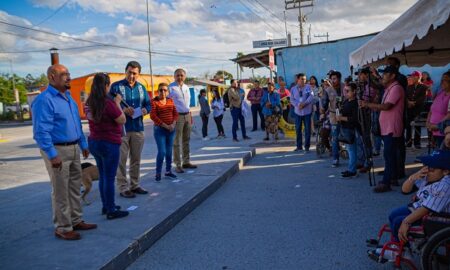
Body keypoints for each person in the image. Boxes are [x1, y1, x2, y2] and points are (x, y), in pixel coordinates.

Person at [32, 64, 97, 240]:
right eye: (64, 74)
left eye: (69, 74)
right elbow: (41, 132)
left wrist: (83, 144)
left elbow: (76, 123)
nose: (68, 77)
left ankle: (76, 220)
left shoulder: (69, 98)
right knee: (60, 190)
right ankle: (62, 227)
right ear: (52, 76)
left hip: (74, 148)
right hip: (57, 150)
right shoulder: (45, 100)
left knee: (75, 187)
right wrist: (52, 155)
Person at [368, 150, 450, 262]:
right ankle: (399, 246)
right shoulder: (430, 176)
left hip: (435, 217)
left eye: (431, 169)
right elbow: (405, 190)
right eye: (426, 166)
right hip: (421, 208)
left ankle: (402, 251)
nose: (427, 170)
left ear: (445, 171)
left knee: (399, 221)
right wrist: (413, 177)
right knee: (393, 214)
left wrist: (406, 221)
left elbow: (427, 209)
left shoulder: (445, 185)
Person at [85, 73, 129, 220]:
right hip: (109, 142)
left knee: (103, 175)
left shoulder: (89, 102)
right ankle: (111, 210)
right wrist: (117, 102)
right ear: (106, 85)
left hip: (94, 141)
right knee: (110, 177)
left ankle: (106, 206)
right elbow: (122, 119)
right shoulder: (108, 102)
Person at [361, 66, 405, 193]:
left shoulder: (396, 88)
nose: (383, 76)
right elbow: (378, 84)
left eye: (385, 74)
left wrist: (367, 104)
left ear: (392, 76)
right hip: (387, 126)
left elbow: (386, 106)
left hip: (392, 126)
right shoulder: (389, 88)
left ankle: (386, 182)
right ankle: (393, 177)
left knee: (388, 154)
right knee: (390, 154)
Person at [110, 61, 151, 198]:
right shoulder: (116, 87)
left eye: (135, 73)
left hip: (138, 128)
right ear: (125, 71)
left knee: (136, 159)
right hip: (122, 130)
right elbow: (109, 106)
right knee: (121, 160)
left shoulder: (142, 88)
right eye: (129, 72)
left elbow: (148, 104)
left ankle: (135, 184)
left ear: (139, 74)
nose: (132, 75)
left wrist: (146, 109)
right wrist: (122, 109)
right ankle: (123, 187)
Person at [168, 68, 197, 173]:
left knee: (186, 140)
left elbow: (188, 103)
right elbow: (168, 103)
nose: (180, 77)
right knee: (176, 142)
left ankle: (186, 162)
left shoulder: (186, 87)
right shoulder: (171, 88)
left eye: (181, 75)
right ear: (174, 76)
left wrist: (190, 115)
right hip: (177, 116)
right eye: (177, 75)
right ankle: (178, 164)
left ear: (184, 76)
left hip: (187, 115)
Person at [150, 83, 178, 182]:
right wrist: (166, 126)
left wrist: (173, 124)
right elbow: (153, 116)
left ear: (168, 92)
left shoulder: (170, 100)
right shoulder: (154, 102)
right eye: (161, 90)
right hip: (160, 130)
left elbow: (175, 113)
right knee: (162, 152)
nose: (163, 92)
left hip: (171, 130)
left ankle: (168, 171)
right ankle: (158, 172)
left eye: (165, 90)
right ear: (158, 91)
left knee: (169, 152)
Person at [336, 82, 359, 178]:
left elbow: (354, 119)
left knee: (352, 150)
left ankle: (352, 170)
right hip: (345, 128)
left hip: (351, 129)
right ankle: (351, 168)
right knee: (350, 150)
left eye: (348, 91)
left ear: (354, 91)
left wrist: (341, 118)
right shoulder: (347, 101)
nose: (345, 93)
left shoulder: (355, 103)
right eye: (344, 90)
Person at [427, 71, 450, 149]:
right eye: (442, 80)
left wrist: (437, 126)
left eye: (445, 80)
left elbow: (449, 114)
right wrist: (428, 122)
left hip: (443, 132)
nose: (442, 82)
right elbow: (431, 109)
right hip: (434, 131)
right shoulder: (440, 93)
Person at [291, 73, 313, 152]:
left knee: (307, 130)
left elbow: (311, 96)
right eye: (302, 79)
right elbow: (292, 100)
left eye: (304, 79)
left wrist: (305, 103)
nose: (304, 80)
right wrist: (298, 105)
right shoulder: (293, 89)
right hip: (297, 112)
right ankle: (299, 146)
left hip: (307, 112)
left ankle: (307, 146)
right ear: (298, 79)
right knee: (298, 129)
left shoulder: (308, 87)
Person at [405, 71, 427, 149]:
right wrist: (408, 102)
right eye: (412, 76)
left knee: (418, 126)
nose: (412, 78)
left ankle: (417, 143)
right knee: (408, 126)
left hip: (418, 109)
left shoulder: (423, 87)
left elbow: (422, 98)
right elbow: (406, 96)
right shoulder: (408, 87)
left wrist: (414, 103)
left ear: (418, 77)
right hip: (409, 109)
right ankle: (408, 142)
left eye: (414, 76)